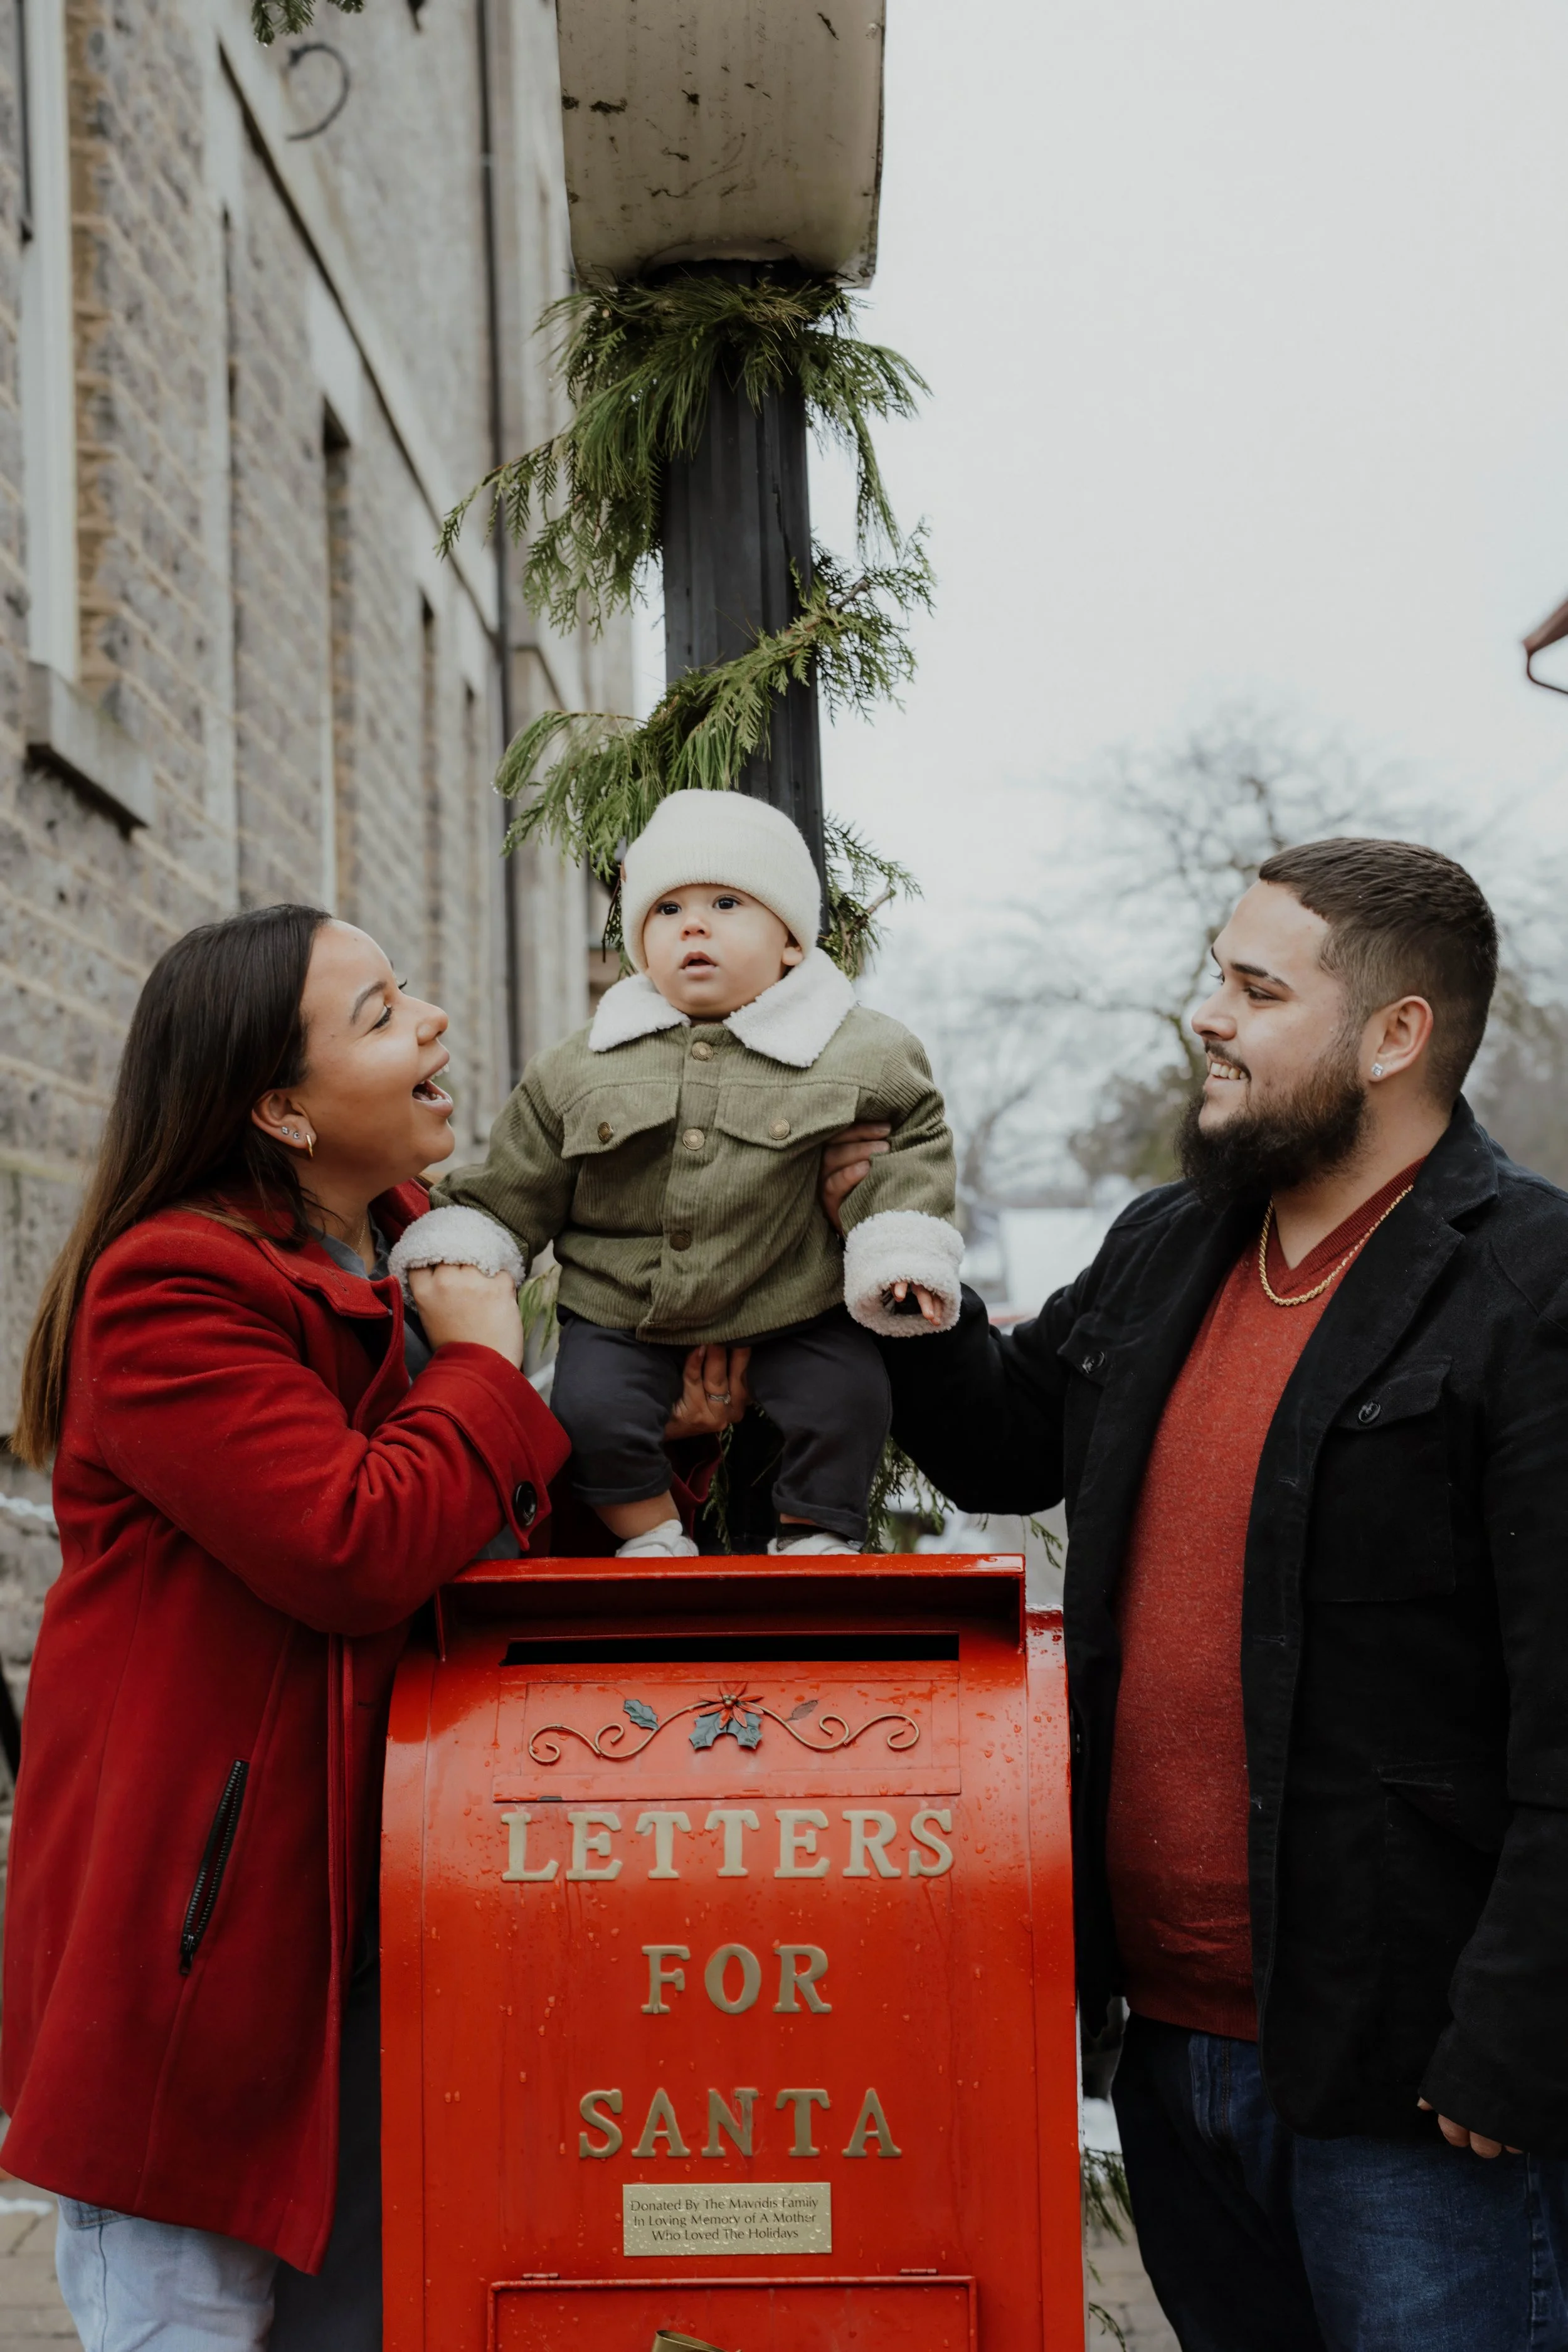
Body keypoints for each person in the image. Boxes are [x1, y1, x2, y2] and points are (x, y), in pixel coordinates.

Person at [824, 837, 1568, 2351]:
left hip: (1415, 2083)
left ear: (1394, 1034)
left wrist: (1515, 2037)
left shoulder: (1531, 1283)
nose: (1202, 1014)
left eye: (1250, 986)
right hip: (1167, 2055)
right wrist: (896, 1263)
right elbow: (1003, 1435)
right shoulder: (1172, 1241)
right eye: (1211, 977)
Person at [0, 904, 741, 2351]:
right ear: (280, 1106)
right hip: (213, 1977)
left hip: (401, 1950)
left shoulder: (418, 1255)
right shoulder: (170, 1289)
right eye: (384, 1010)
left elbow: (475, 1556)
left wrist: (667, 1456)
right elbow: (351, 1544)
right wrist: (478, 1362)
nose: (436, 1025)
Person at [392, 789, 962, 1559]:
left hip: (792, 1302)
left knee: (850, 1396)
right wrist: (474, 1236)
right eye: (665, 911)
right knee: (591, 1409)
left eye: (726, 902)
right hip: (626, 1312)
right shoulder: (582, 1062)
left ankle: (816, 1532)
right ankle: (650, 1532)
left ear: (791, 941)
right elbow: (522, 1172)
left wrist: (898, 1249)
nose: (692, 924)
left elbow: (909, 1142)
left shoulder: (860, 1050)